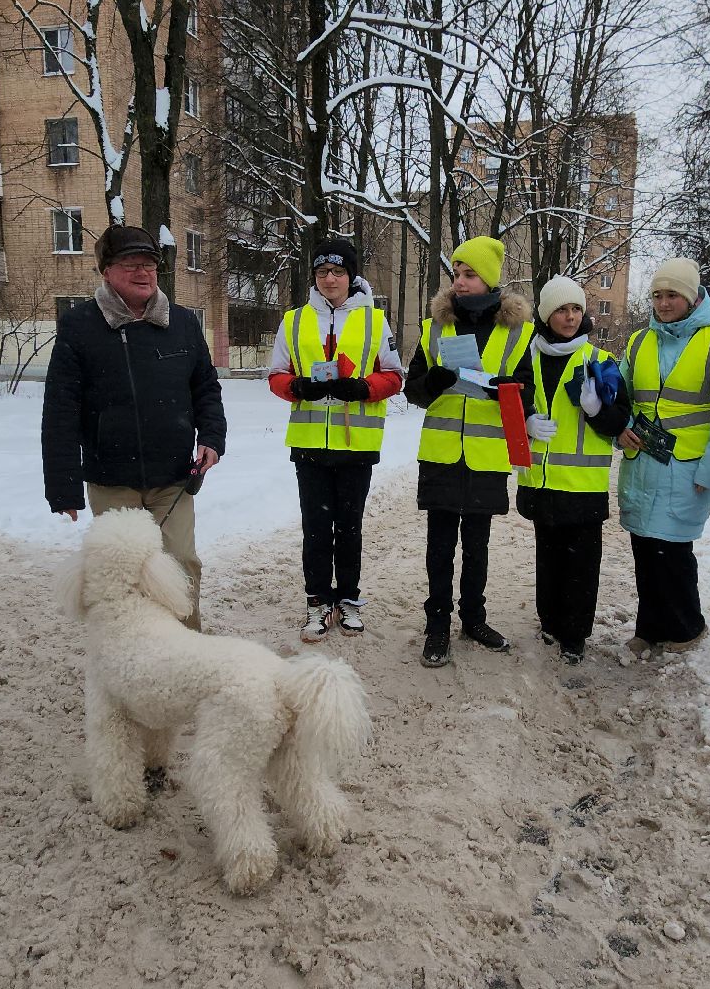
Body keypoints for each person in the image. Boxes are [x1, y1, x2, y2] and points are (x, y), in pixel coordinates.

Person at [41, 224, 226, 630]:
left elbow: (205, 387)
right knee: (122, 572)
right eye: (130, 264)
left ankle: (186, 647)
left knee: (180, 563)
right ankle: (127, 650)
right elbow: (60, 410)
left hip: (172, 476)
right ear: (106, 270)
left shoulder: (180, 322)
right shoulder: (80, 326)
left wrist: (211, 437)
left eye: (149, 265)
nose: (143, 272)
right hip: (112, 479)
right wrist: (63, 488)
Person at [403, 236, 535, 668]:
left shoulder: (519, 333)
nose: (460, 281)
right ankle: (437, 624)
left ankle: (473, 619)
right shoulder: (435, 327)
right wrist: (434, 382)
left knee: (477, 545)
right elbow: (414, 391)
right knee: (439, 545)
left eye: (469, 274)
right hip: (441, 452)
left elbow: (530, 395)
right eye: (457, 274)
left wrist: (507, 393)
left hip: (486, 455)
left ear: (490, 279)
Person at [267, 237, 406, 641]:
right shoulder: (293, 320)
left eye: (339, 271)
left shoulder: (374, 321)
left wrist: (363, 388)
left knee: (348, 527)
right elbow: (276, 374)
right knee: (315, 527)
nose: (330, 279)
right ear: (314, 277)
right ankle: (316, 601)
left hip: (356, 444)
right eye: (323, 272)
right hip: (310, 443)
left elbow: (395, 375)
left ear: (351, 276)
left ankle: (347, 598)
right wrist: (298, 387)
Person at [617, 258, 710, 661]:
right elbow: (621, 397)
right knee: (643, 549)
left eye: (672, 295)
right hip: (642, 463)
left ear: (691, 298)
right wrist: (619, 428)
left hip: (686, 468)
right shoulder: (639, 342)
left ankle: (687, 625)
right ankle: (649, 627)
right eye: (657, 295)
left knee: (672, 552)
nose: (664, 303)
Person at [517, 276, 632, 664]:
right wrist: (527, 419)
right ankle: (549, 620)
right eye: (561, 310)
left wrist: (599, 411)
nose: (569, 317)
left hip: (583, 486)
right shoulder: (526, 358)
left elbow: (620, 420)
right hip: (540, 481)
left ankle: (576, 634)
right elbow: (508, 406)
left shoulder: (599, 361)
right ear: (547, 315)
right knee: (547, 557)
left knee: (581, 564)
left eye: (576, 309)